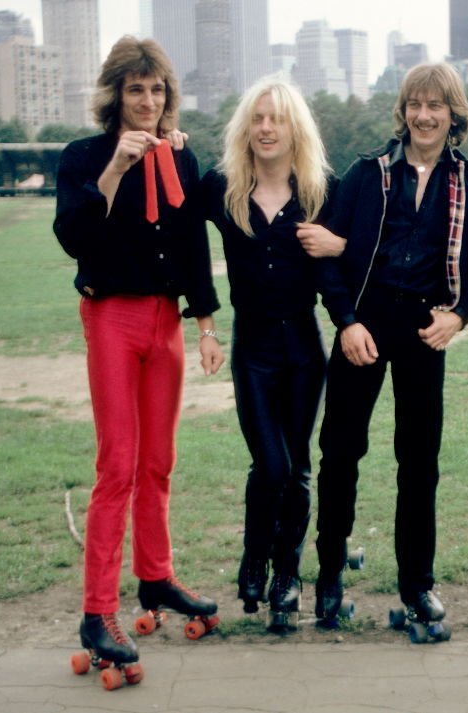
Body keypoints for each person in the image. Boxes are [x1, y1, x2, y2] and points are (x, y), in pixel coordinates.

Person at [54, 37, 223, 675]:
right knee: (117, 465)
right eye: (135, 90)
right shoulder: (84, 158)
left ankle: (156, 579)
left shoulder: (179, 158)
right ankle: (97, 612)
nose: (147, 101)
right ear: (115, 97)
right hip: (112, 318)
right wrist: (116, 171)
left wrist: (205, 323)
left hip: (164, 322)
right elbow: (75, 237)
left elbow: (189, 246)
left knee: (158, 462)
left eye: (156, 90)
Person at [313, 63, 468, 631]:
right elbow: (330, 258)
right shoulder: (368, 174)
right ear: (403, 111)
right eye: (415, 104)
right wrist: (344, 321)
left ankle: (417, 584)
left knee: (419, 464)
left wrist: (459, 316)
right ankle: (329, 574)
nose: (424, 115)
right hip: (363, 325)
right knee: (340, 452)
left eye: (436, 105)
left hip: (423, 330)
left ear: (452, 114)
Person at [201, 78, 342, 628]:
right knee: (271, 463)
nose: (265, 128)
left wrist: (341, 245)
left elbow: (361, 251)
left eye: (276, 119)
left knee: (298, 468)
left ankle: (287, 574)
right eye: (257, 118)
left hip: (305, 347)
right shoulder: (222, 189)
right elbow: (185, 241)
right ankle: (254, 557)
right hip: (253, 347)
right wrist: (206, 322)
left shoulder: (319, 191)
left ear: (293, 129)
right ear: (246, 127)